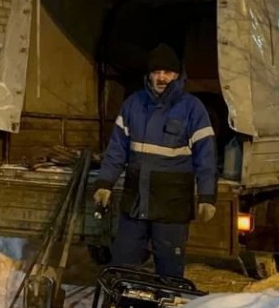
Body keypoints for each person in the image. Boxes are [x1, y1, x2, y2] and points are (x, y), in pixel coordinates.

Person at [92, 43, 217, 279]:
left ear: (178, 75)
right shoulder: (133, 104)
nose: (161, 78)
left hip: (172, 207)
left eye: (167, 72)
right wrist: (104, 183)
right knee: (121, 267)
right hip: (135, 203)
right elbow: (117, 149)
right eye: (156, 72)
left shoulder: (192, 109)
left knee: (169, 272)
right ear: (148, 75)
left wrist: (208, 196)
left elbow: (206, 157)